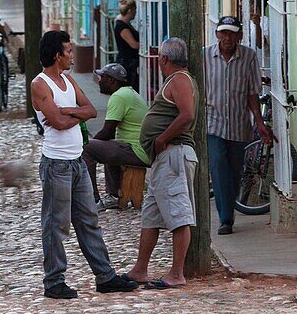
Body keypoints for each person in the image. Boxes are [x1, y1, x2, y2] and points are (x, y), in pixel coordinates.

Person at [32, 30, 138, 299]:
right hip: (57, 164)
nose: (72, 56)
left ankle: (105, 276)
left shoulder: (68, 81)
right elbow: (55, 122)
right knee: (56, 225)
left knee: (89, 220)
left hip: (77, 160)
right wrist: (69, 116)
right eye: (68, 51)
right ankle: (54, 281)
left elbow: (90, 111)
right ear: (57, 55)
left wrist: (67, 112)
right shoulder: (40, 84)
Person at [128, 37, 199, 289]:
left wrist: (161, 139)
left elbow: (187, 114)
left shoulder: (179, 79)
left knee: (179, 214)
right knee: (151, 215)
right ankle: (140, 269)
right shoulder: (176, 80)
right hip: (162, 159)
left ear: (165, 59)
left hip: (173, 154)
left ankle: (177, 273)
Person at [204, 14, 270, 235]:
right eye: (223, 33)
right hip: (212, 123)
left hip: (239, 124)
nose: (227, 38)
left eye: (232, 33)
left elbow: (252, 93)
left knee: (233, 171)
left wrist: (259, 123)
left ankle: (228, 213)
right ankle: (225, 219)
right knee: (217, 163)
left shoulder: (249, 57)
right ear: (217, 34)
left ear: (240, 35)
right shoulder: (205, 56)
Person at [82, 63, 149, 210]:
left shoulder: (119, 96)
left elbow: (107, 132)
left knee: (86, 148)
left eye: (102, 77)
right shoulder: (128, 93)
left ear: (112, 80)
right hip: (141, 149)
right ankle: (113, 195)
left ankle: (93, 200)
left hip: (137, 150)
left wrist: (86, 142)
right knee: (107, 146)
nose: (99, 81)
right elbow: (109, 135)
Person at [114, 0, 140, 92]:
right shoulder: (122, 27)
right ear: (130, 11)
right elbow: (134, 44)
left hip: (130, 61)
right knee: (130, 87)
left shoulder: (125, 23)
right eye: (135, 11)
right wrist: (146, 44)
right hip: (127, 62)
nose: (135, 14)